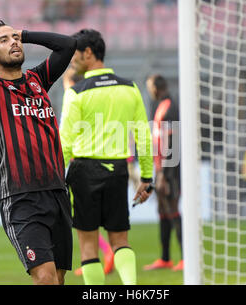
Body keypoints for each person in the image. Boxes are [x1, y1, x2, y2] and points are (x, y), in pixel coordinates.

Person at [0, 20, 76, 285]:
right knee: (45, 278)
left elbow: (68, 45)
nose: (14, 42)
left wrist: (23, 33)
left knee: (58, 280)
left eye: (16, 38)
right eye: (4, 40)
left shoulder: (38, 80)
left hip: (57, 192)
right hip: (21, 198)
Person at [60, 29, 153, 285]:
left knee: (88, 247)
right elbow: (143, 136)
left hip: (83, 172)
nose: (72, 59)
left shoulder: (76, 92)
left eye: (75, 54)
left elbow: (65, 142)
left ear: (88, 52)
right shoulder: (130, 88)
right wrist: (146, 177)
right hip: (118, 171)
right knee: (120, 241)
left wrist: (56, 178)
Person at [62, 66, 115, 276]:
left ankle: (100, 255)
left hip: (80, 163)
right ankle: (104, 253)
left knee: (82, 216)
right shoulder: (94, 99)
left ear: (70, 83)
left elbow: (69, 135)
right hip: (103, 160)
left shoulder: (74, 99)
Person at [143, 74, 183, 272]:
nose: (150, 91)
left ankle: (185, 258)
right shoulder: (162, 106)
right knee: (163, 211)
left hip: (171, 170)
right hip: (161, 169)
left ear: (156, 88)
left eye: (150, 87)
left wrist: (165, 176)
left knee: (173, 208)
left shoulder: (170, 108)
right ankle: (165, 258)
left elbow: (172, 145)